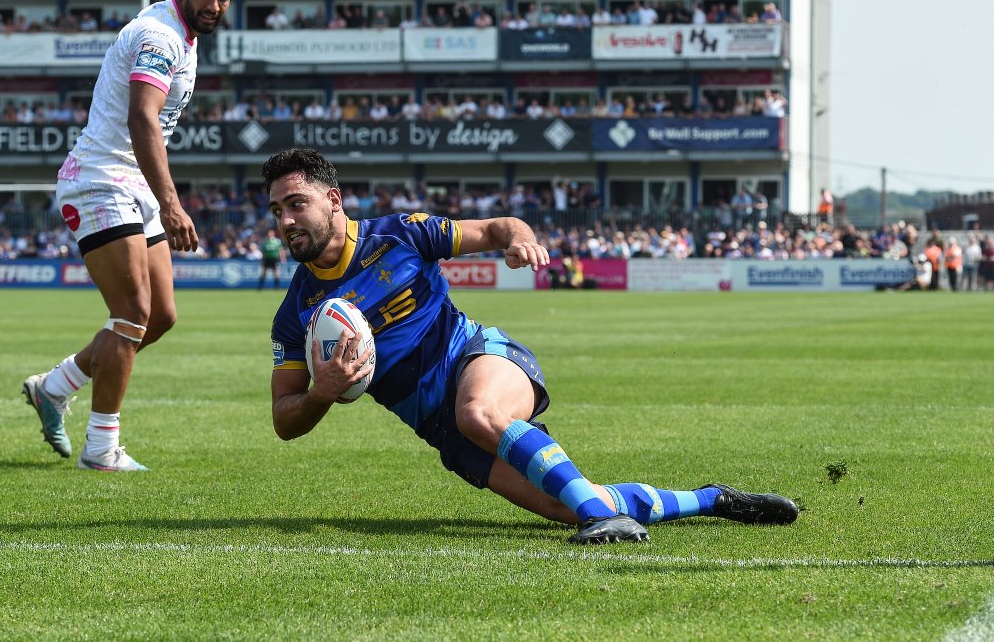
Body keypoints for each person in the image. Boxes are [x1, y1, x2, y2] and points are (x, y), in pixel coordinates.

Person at [263, 148, 798, 544]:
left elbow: (499, 227)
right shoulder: (295, 314)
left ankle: (602, 517)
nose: (286, 222)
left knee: (478, 412)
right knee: (575, 502)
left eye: (296, 204)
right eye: (277, 211)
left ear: (333, 199)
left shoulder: (401, 234)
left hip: (480, 357)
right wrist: (321, 394)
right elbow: (285, 419)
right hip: (437, 426)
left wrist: (520, 239)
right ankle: (713, 499)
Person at [21, 0, 236, 472]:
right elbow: (143, 119)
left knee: (159, 316)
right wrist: (172, 202)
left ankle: (55, 386)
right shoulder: (160, 37)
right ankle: (101, 449)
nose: (214, 5)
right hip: (99, 179)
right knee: (133, 313)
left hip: (130, 182)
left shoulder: (179, 34)